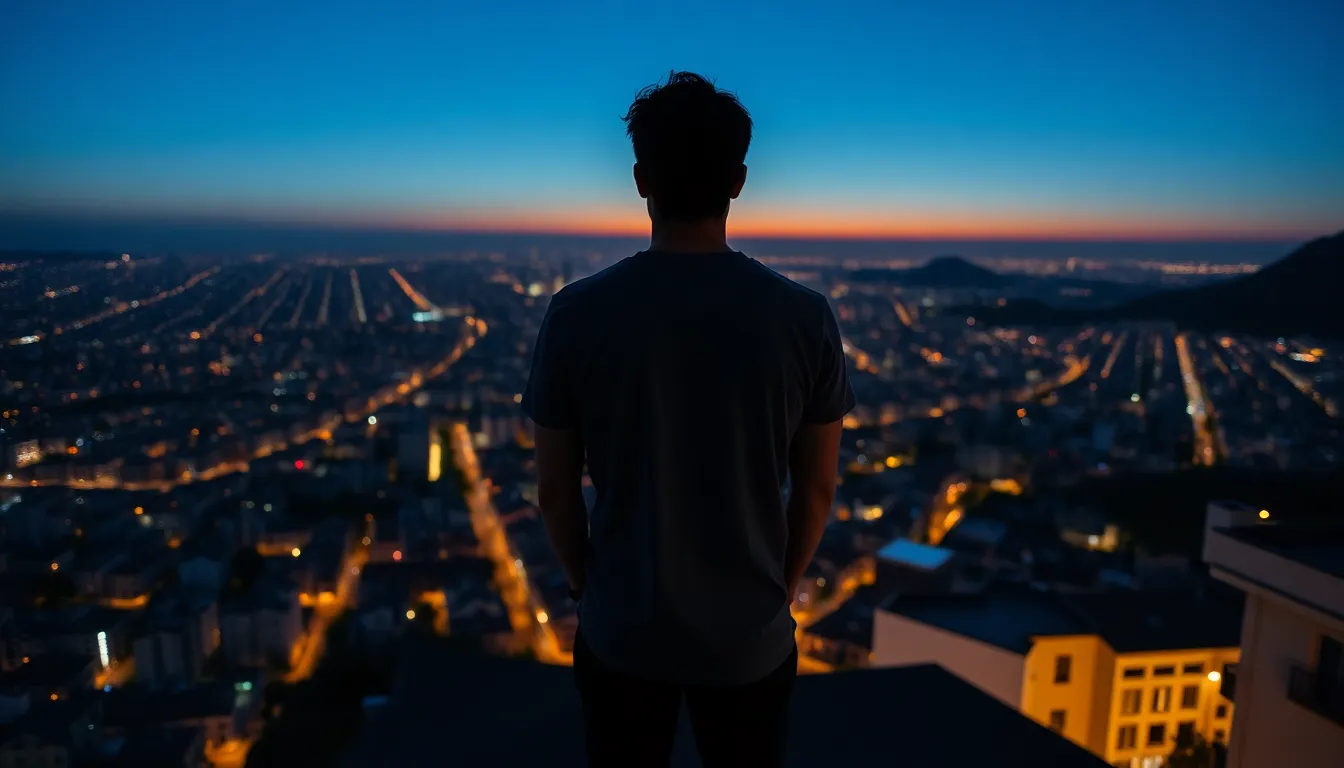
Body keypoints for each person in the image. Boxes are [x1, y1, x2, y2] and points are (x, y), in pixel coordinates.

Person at [522, 71, 854, 768]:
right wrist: (779, 592)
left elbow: (555, 493)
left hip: (623, 633)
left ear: (641, 179)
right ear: (737, 181)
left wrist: (590, 588)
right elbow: (817, 489)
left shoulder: (577, 315)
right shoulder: (804, 318)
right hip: (749, 639)